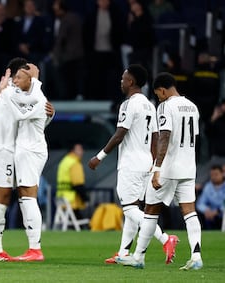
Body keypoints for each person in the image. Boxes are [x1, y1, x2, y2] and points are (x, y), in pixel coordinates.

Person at [88, 65, 178, 265]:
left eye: (123, 78)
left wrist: (99, 157)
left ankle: (165, 238)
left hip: (131, 163)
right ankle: (123, 253)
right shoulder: (149, 104)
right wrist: (154, 165)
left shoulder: (129, 105)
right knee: (134, 208)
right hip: (145, 163)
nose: (121, 82)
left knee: (129, 209)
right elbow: (156, 139)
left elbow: (120, 134)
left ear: (131, 81)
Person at [116, 72, 203, 270]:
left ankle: (138, 257)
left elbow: (164, 137)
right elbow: (196, 139)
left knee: (150, 211)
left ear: (162, 90)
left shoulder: (165, 106)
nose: (159, 98)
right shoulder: (193, 107)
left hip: (168, 168)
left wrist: (157, 168)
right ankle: (196, 255)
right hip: (189, 167)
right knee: (189, 212)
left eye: (158, 94)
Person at [0, 57, 54, 262]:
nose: (22, 80)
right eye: (20, 76)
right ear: (12, 77)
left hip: (2, 149)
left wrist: (48, 115)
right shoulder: (12, 92)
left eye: (25, 77)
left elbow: (33, 115)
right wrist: (36, 82)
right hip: (4, 150)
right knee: (3, 199)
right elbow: (28, 109)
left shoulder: (12, 93)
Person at [7, 63, 49, 261]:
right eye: (14, 77)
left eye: (19, 78)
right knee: (24, 195)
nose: (15, 81)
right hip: (26, 149)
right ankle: (32, 246)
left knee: (29, 195)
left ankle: (35, 249)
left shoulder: (38, 99)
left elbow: (19, 114)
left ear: (30, 80)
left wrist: (9, 98)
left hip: (31, 150)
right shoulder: (31, 98)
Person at [56, 143, 89, 218]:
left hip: (61, 197)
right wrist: (86, 199)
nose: (82, 152)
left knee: (72, 220)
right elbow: (78, 184)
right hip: (71, 199)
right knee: (79, 221)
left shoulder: (64, 161)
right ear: (72, 151)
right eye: (79, 149)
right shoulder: (74, 163)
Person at [196, 165, 225, 229]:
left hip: (222, 214)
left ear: (222, 174)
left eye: (216, 174)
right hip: (210, 215)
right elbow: (200, 203)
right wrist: (206, 210)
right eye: (212, 175)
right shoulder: (208, 187)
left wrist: (218, 211)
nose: (214, 177)